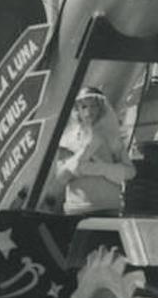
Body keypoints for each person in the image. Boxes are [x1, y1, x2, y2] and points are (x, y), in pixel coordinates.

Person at [52, 86, 136, 217]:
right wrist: (85, 151)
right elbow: (61, 178)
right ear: (77, 110)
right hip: (77, 210)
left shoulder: (111, 137)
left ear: (101, 108)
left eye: (93, 106)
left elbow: (130, 172)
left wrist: (101, 169)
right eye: (84, 107)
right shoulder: (67, 140)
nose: (89, 112)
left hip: (109, 209)